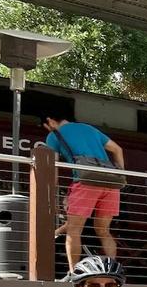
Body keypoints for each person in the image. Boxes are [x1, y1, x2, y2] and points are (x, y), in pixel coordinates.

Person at [41, 111, 125, 276]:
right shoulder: (89, 128)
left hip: (86, 181)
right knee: (103, 230)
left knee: (74, 229)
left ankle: (74, 273)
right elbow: (117, 149)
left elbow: (53, 167)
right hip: (111, 184)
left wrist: (51, 191)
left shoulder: (53, 136)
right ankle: (112, 271)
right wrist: (121, 174)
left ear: (50, 120)